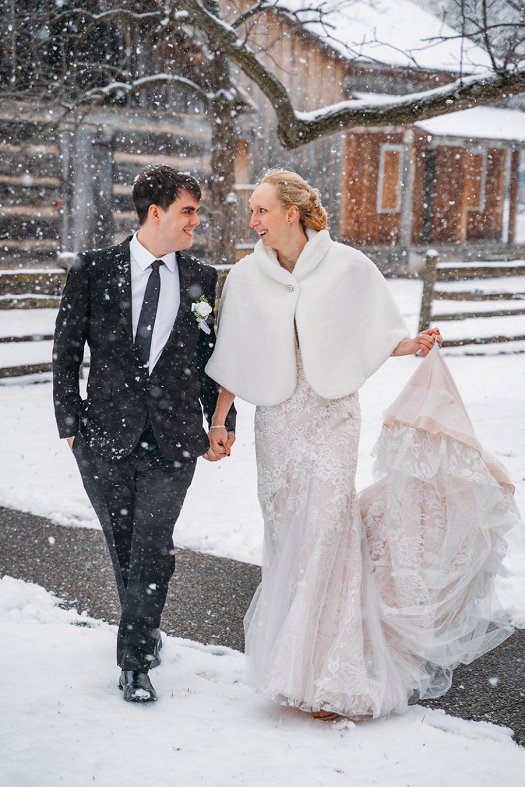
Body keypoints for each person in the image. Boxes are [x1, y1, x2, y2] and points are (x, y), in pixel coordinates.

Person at [204, 169, 518, 721]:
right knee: (288, 537)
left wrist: (411, 344)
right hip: (277, 424)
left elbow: (374, 331)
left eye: (261, 210)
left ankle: (336, 674)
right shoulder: (246, 278)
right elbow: (233, 357)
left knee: (328, 532)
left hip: (331, 419)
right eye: (252, 211)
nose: (252, 221)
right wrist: (220, 421)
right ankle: (292, 669)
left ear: (293, 212)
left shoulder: (348, 267)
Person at [52, 165, 235, 703]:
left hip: (175, 438)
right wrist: (70, 422)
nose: (195, 222)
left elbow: (209, 358)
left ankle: (133, 661)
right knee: (125, 546)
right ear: (155, 213)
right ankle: (145, 625)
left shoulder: (202, 277)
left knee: (152, 545)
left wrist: (219, 422)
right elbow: (66, 351)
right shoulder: (93, 269)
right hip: (102, 436)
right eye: (188, 211)